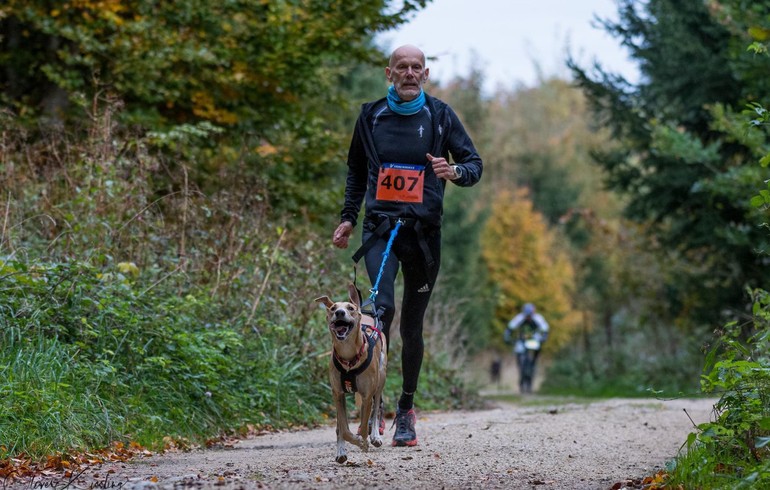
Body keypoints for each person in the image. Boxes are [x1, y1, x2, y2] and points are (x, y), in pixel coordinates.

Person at [331, 44, 483, 447]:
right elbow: (356, 172)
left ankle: (407, 409)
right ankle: (372, 399)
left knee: (412, 327)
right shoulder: (370, 116)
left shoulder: (440, 116)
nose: (410, 73)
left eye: (417, 67)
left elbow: (474, 165)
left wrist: (454, 171)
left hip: (423, 235)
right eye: (403, 67)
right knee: (380, 311)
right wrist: (348, 218)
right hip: (380, 229)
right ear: (389, 73)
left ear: (426, 74)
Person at [504, 303, 549, 393]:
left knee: (533, 361)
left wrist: (543, 338)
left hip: (534, 341)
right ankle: (522, 378)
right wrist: (507, 337)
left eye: (530, 315)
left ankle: (531, 377)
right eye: (527, 315)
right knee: (520, 359)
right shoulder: (519, 318)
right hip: (522, 340)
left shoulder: (538, 318)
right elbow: (510, 328)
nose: (528, 317)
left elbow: (545, 329)